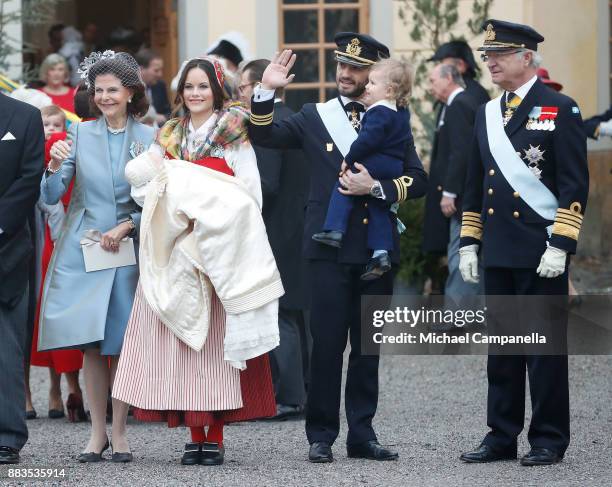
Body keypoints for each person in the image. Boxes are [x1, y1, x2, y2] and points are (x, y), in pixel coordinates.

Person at [249, 32, 428, 463]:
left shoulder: (393, 115)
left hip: (375, 250)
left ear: (374, 76)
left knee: (368, 348)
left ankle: (362, 434)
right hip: (326, 250)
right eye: (341, 65)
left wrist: (379, 188)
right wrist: (266, 90)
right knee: (326, 345)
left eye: (357, 68)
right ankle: (322, 435)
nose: (346, 74)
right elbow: (266, 136)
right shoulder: (315, 115)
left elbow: (417, 179)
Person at [112, 57, 280, 466]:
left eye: (203, 86)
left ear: (216, 91)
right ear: (180, 92)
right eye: (189, 86)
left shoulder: (235, 132)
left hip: (219, 251)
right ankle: (193, 430)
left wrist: (213, 210)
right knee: (183, 346)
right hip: (175, 248)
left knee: (217, 346)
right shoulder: (169, 133)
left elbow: (249, 193)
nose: (195, 93)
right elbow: (144, 188)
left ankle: (216, 432)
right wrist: (173, 198)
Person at [458, 20, 589, 466]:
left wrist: (561, 245)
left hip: (539, 252)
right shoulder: (487, 114)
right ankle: (501, 436)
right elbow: (475, 182)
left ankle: (549, 438)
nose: (490, 62)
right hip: (498, 250)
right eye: (486, 55)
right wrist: (469, 242)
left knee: (545, 351)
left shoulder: (560, 108)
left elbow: (574, 186)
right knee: (503, 351)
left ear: (527, 57)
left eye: (499, 54)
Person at [39, 51, 154, 462]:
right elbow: (52, 196)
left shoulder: (151, 138)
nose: (104, 97)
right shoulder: (80, 135)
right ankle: (96, 433)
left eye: (113, 90)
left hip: (127, 247)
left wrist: (128, 225)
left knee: (120, 341)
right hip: (85, 246)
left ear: (130, 93)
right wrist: (52, 168)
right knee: (90, 344)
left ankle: (121, 432)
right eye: (98, 90)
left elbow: (159, 200)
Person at [239, 58, 310, 419]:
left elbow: (266, 184)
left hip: (274, 229)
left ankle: (289, 396)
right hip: (298, 226)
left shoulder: (268, 125)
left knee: (278, 312)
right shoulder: (295, 117)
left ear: (257, 88)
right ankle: (303, 390)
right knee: (297, 313)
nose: (239, 96)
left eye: (241, 89)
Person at [312, 58, 414, 281]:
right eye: (341, 65)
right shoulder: (401, 112)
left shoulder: (378, 112)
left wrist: (350, 159)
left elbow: (368, 139)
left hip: (377, 165)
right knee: (380, 209)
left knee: (344, 184)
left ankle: (334, 230)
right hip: (393, 166)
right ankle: (381, 253)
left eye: (372, 82)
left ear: (388, 90)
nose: (367, 86)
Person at [26, 105, 85, 423]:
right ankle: (55, 389)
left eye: (57, 123)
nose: (52, 129)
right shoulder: (34, 148)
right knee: (53, 318)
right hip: (52, 241)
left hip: (69, 239)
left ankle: (70, 388)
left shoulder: (72, 147)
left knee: (62, 318)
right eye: (45, 124)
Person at [0, 93, 45, 465]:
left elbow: (30, 177)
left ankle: (6, 436)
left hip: (7, 250)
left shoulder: (25, 116)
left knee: (5, 349)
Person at [423, 63, 481, 298]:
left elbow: (461, 152)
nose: (430, 87)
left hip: (462, 198)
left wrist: (450, 192)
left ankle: (456, 316)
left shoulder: (459, 105)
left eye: (433, 80)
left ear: (449, 78)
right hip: (464, 195)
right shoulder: (458, 104)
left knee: (460, 253)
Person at [428, 40, 490, 106]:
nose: (439, 69)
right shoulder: (451, 93)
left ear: (460, 65)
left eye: (443, 65)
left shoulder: (466, 96)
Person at [136, 49, 171, 125]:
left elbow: (169, 113)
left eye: (161, 70)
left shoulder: (160, 86)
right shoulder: (129, 90)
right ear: (141, 69)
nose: (160, 74)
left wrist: (163, 118)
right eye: (156, 70)